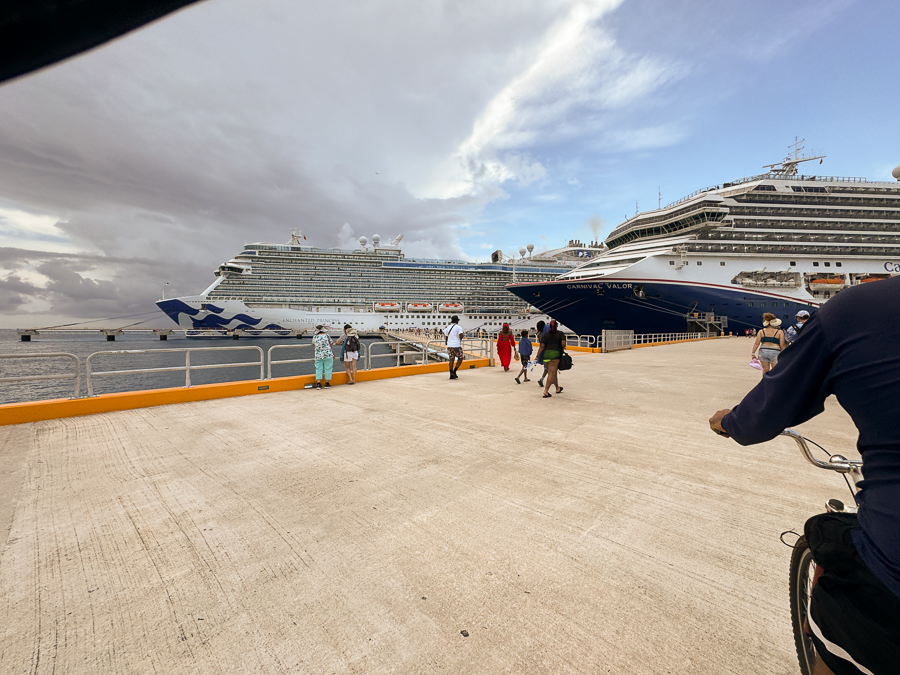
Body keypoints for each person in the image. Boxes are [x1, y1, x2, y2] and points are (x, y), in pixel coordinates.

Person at [709, 276, 900, 675]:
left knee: (827, 538)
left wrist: (729, 422)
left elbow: (767, 412)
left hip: (892, 566)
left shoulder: (857, 308)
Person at [535, 319, 566, 398]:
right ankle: (546, 391)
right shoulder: (560, 334)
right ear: (556, 326)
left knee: (553, 371)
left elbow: (542, 346)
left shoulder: (546, 335)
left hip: (546, 356)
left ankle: (557, 388)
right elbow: (563, 345)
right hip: (555, 356)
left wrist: (537, 356)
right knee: (551, 373)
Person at [312, 325, 334, 389]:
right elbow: (331, 342)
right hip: (328, 354)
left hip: (318, 355)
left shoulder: (315, 336)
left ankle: (318, 383)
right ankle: (327, 383)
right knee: (328, 368)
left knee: (318, 369)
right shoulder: (327, 335)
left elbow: (313, 343)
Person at [443, 315, 464, 379]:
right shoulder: (459, 327)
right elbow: (461, 335)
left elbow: (446, 337)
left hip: (450, 346)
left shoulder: (447, 328)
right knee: (460, 358)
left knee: (451, 359)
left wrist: (447, 343)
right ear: (457, 321)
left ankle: (451, 374)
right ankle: (454, 371)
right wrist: (459, 340)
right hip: (456, 346)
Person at [534, 320, 550, 387]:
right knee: (552, 368)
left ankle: (543, 378)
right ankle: (551, 382)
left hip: (544, 353)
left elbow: (541, 346)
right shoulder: (548, 331)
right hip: (551, 352)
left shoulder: (541, 335)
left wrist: (537, 356)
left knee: (547, 367)